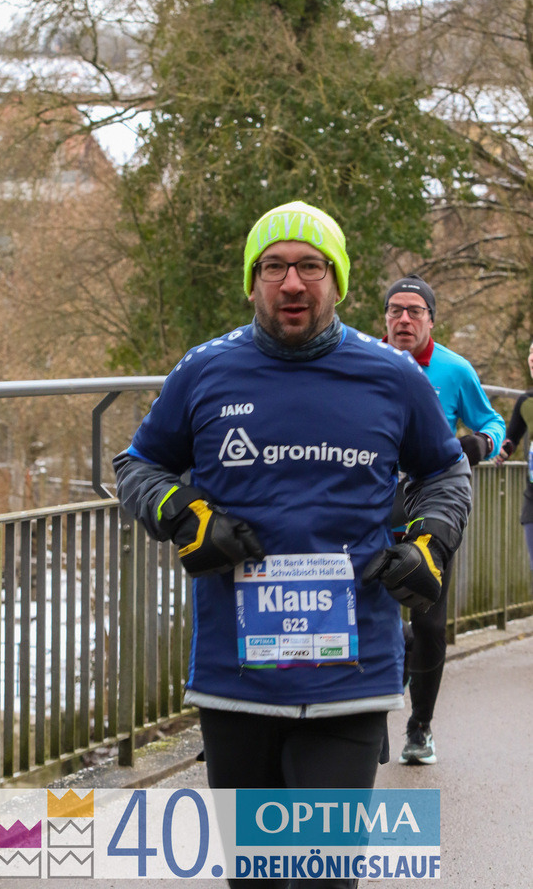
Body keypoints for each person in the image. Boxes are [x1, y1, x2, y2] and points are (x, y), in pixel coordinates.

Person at [114, 202, 471, 889]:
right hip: (235, 675)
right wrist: (186, 516)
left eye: (310, 266)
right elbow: (137, 465)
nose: (291, 283)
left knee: (319, 875)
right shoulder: (205, 370)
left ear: (335, 281)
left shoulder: (390, 376)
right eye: (273, 266)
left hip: (349, 674)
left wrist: (427, 545)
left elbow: (443, 469)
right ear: (251, 281)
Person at [383, 275, 505, 766]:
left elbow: (492, 421)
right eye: (395, 310)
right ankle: (376, 707)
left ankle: (420, 726)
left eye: (415, 311)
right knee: (371, 618)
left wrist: (480, 444)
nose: (404, 319)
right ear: (385, 319)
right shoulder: (364, 361)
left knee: (429, 624)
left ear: (432, 319)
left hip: (432, 503)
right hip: (372, 502)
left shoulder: (454, 368)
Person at [495, 339, 533, 582]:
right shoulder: (526, 402)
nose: (532, 358)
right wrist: (501, 450)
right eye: (531, 352)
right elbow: (511, 440)